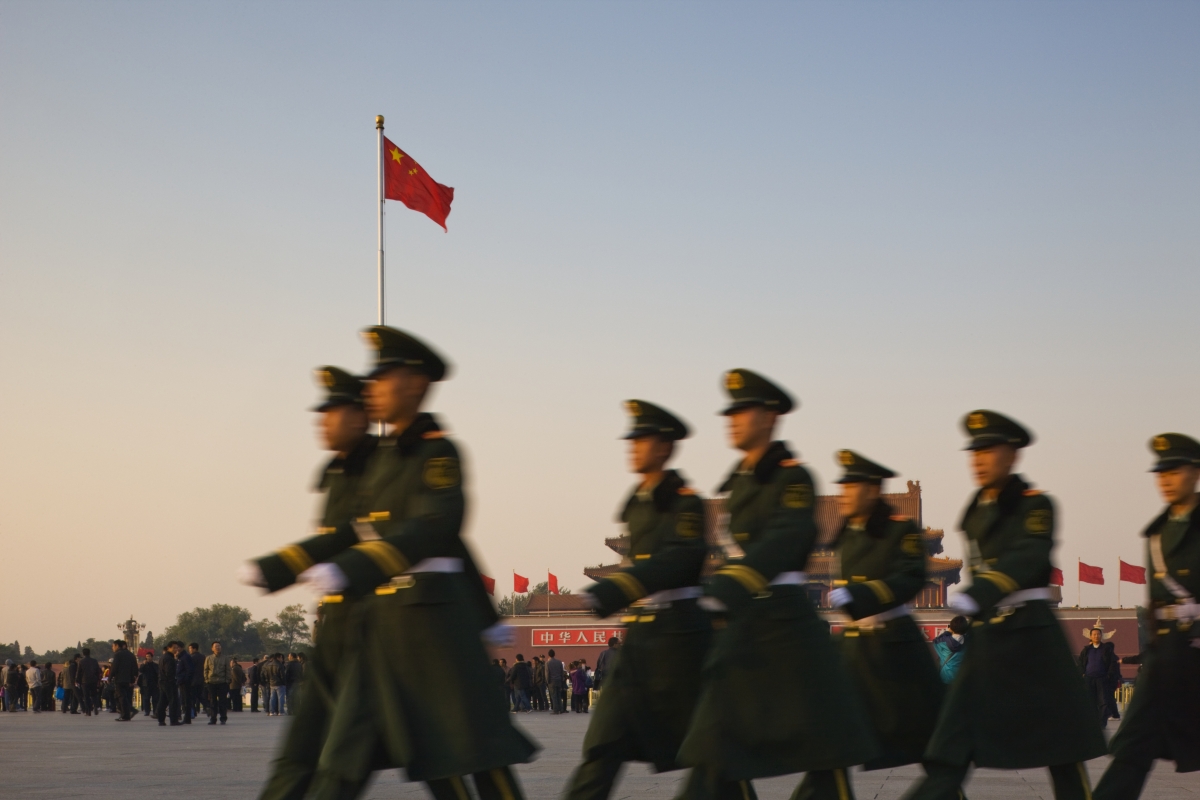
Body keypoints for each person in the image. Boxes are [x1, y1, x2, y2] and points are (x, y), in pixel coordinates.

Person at [287, 326, 537, 800]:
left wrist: (355, 567)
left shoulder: (438, 453)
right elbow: (356, 529)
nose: (373, 389)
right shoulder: (379, 461)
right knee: (401, 756)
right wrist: (292, 563)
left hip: (434, 627)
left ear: (417, 384)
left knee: (475, 752)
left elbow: (439, 529)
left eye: (384, 377)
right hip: (382, 630)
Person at [678, 369, 876, 800]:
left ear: (769, 418)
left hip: (787, 627)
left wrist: (728, 588)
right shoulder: (738, 484)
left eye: (743, 411)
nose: (732, 419)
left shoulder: (793, 478)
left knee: (827, 756)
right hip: (742, 630)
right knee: (712, 749)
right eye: (729, 412)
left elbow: (789, 537)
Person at [903, 410, 1105, 800]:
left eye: (989, 450)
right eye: (974, 452)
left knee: (1064, 753)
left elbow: (1028, 555)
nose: (978, 460)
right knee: (949, 747)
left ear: (1012, 456)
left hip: (1032, 637)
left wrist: (981, 591)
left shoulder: (1036, 505)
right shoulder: (976, 509)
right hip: (989, 643)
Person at [566, 400, 712, 799]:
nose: (633, 447)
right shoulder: (637, 502)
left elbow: (679, 559)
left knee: (711, 756)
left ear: (664, 448)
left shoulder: (685, 502)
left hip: (681, 640)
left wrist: (617, 588)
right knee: (602, 744)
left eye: (642, 440)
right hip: (640, 643)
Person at [247, 367, 378, 799]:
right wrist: (277, 567)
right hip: (336, 629)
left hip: (375, 632)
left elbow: (399, 536)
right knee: (299, 751)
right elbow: (331, 538)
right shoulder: (338, 472)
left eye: (332, 412)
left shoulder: (383, 466)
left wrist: (297, 566)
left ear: (359, 416)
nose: (322, 423)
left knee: (346, 760)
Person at [825, 450, 951, 782]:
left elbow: (909, 577)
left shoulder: (901, 531)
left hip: (894, 649)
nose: (843, 495)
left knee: (928, 744)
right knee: (830, 749)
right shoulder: (847, 534)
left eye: (850, 487)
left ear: (871, 490)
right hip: (853, 653)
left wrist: (861, 595)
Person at [1094, 433, 1200, 799]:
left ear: (1195, 472)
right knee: (1131, 747)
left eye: (1174, 470)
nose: (1166, 479)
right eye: (1160, 472)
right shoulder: (1157, 534)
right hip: (1166, 660)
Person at [1078, 621, 1120, 727]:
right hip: (1089, 678)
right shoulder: (1086, 650)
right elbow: (1081, 663)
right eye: (1094, 634)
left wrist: (1109, 675)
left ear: (1101, 636)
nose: (1096, 636)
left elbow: (1112, 663)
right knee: (1090, 701)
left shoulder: (1106, 649)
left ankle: (1102, 723)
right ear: (1090, 636)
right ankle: (1092, 722)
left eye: (1098, 634)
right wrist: (1082, 674)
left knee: (1103, 701)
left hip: (1102, 679)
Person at [931, 616, 969, 684]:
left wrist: (947, 632)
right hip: (962, 678)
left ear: (951, 627)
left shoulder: (942, 642)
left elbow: (935, 642)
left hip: (946, 677)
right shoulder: (969, 641)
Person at [109, 640, 138, 721]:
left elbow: (114, 667)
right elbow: (135, 668)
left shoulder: (118, 655)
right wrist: (133, 678)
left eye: (113, 646)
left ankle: (127, 713)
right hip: (129, 680)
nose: (112, 648)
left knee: (121, 697)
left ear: (117, 646)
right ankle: (127, 714)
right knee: (126, 697)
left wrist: (109, 677)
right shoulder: (131, 655)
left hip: (120, 679)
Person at [204, 641, 231, 725]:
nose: (218, 648)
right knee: (213, 701)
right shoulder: (208, 658)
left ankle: (223, 718)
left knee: (223, 701)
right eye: (216, 646)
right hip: (211, 682)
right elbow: (206, 670)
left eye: (219, 646)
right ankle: (213, 718)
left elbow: (228, 670)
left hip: (222, 682)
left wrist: (227, 681)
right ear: (212, 648)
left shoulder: (225, 658)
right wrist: (206, 680)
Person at [156, 643, 181, 726]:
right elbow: (169, 671)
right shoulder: (169, 658)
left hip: (162, 682)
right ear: (168, 648)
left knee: (162, 701)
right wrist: (172, 680)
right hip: (169, 682)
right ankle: (173, 720)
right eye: (174, 648)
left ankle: (161, 720)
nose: (176, 649)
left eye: (177, 647)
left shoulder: (163, 657)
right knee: (173, 701)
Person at [174, 641, 194, 723]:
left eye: (177, 647)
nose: (176, 649)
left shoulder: (185, 657)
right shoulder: (180, 657)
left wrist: (185, 679)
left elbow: (190, 670)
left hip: (184, 682)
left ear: (182, 648)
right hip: (181, 681)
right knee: (184, 700)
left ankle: (187, 718)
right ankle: (186, 717)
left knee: (186, 700)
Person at [78, 647, 101, 717]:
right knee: (94, 695)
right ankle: (95, 706)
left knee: (86, 696)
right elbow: (98, 671)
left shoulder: (81, 661)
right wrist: (97, 679)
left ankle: (88, 711)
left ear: (83, 653)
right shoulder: (94, 661)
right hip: (93, 680)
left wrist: (77, 680)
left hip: (85, 681)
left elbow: (79, 672)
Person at [546, 650, 566, 714]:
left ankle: (555, 710)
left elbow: (547, 673)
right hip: (559, 681)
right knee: (558, 695)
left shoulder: (548, 663)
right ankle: (561, 709)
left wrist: (547, 681)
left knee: (553, 696)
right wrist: (561, 679)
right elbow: (561, 672)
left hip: (551, 681)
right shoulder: (559, 662)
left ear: (548, 655)